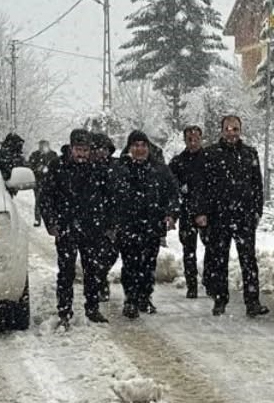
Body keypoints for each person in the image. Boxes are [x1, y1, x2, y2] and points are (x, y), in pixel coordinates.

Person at [36, 128, 114, 325]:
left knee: (92, 270)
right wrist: (51, 222)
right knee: (66, 272)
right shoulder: (58, 167)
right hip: (66, 227)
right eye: (79, 149)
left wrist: (109, 223)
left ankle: (93, 308)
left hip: (92, 228)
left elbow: (109, 197)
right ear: (71, 148)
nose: (82, 154)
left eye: (86, 150)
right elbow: (46, 197)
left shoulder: (97, 169)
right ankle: (64, 310)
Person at [196, 113, 268, 318]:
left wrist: (256, 211)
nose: (231, 133)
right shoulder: (210, 154)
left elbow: (257, 186)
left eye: (235, 129)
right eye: (228, 129)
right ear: (221, 130)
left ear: (240, 130)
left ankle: (252, 301)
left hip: (244, 216)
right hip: (218, 216)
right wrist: (201, 212)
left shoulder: (249, 154)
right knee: (219, 259)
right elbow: (200, 187)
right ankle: (220, 299)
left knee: (248, 260)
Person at [110, 130, 179, 318]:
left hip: (152, 224)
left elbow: (173, 193)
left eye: (143, 145)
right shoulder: (119, 169)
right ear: (129, 148)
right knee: (130, 263)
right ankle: (130, 299)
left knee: (148, 265)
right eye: (135, 145)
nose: (139, 149)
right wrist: (112, 220)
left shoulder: (159, 170)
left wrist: (171, 214)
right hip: (127, 225)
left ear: (148, 148)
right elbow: (109, 196)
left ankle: (144, 297)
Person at [166, 125, 208, 298]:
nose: (193, 142)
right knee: (188, 251)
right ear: (184, 140)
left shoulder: (209, 158)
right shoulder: (177, 162)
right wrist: (173, 213)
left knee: (212, 249)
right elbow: (171, 188)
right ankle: (192, 286)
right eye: (189, 139)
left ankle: (209, 281)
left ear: (201, 139)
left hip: (207, 213)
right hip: (186, 213)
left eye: (196, 138)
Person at [91, 133, 119, 300]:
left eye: (104, 149)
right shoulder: (88, 168)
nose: (101, 152)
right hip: (92, 218)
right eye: (98, 149)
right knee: (95, 254)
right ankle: (98, 283)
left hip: (113, 217)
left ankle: (101, 276)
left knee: (111, 254)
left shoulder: (117, 166)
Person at [27, 141, 57, 226]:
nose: (42, 147)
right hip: (39, 181)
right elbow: (30, 166)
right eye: (41, 146)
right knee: (39, 200)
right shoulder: (35, 155)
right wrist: (38, 169)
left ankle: (51, 220)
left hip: (50, 182)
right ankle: (37, 219)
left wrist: (49, 170)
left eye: (44, 146)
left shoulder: (52, 155)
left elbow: (57, 167)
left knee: (51, 201)